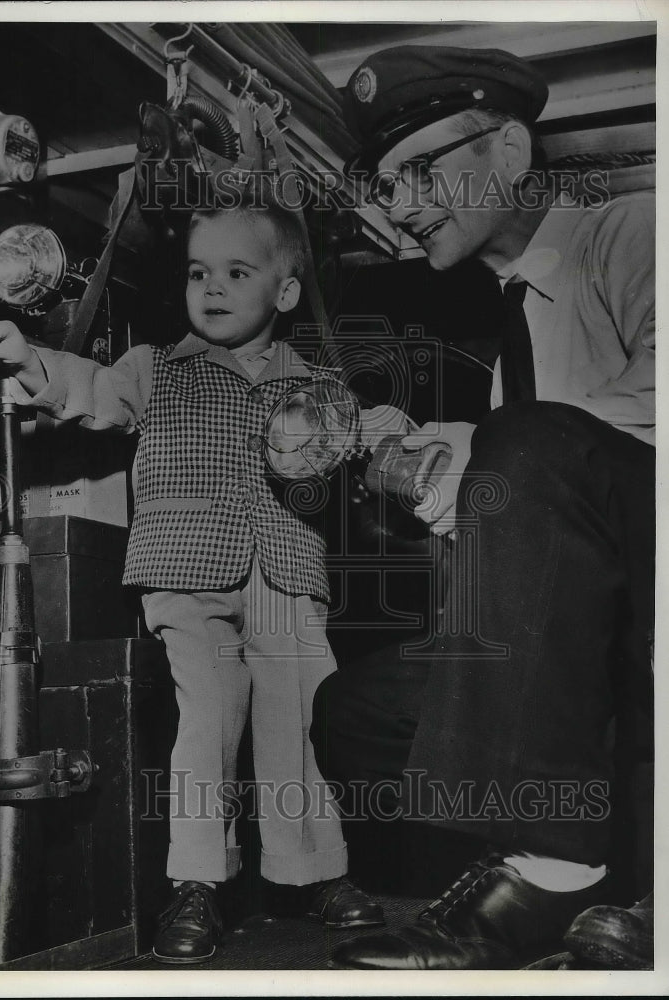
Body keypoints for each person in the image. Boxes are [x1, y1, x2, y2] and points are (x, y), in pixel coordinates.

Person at [0, 195, 394, 964]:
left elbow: (371, 439)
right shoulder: (155, 367)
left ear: (286, 292)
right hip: (185, 571)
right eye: (200, 273)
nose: (213, 288)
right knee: (206, 726)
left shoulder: (319, 386)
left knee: (300, 727)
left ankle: (315, 872)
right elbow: (91, 390)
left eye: (237, 271)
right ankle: (197, 882)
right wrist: (32, 361)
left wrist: (397, 443)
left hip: (287, 572)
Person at [310, 45, 655, 970]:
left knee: (525, 439)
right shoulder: (515, 341)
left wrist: (499, 447)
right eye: (386, 187)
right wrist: (435, 480)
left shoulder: (633, 231)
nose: (402, 204)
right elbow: (530, 531)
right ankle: (555, 857)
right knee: (358, 708)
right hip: (583, 635)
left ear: (507, 150)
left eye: (421, 172)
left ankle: (554, 868)